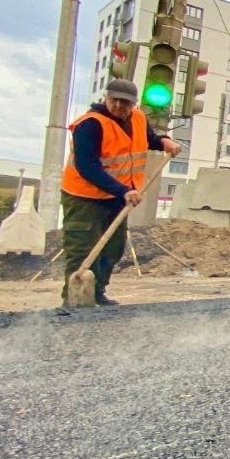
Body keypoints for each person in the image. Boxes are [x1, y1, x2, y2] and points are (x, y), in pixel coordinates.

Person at [60, 79, 182, 307]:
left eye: (124, 102)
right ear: (106, 97)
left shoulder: (137, 118)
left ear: (133, 103)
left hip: (116, 198)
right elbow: (88, 167)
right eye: (113, 99)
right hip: (84, 197)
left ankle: (97, 292)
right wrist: (123, 190)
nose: (118, 105)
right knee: (83, 249)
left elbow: (149, 140)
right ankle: (74, 301)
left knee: (113, 247)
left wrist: (164, 141)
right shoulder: (89, 124)